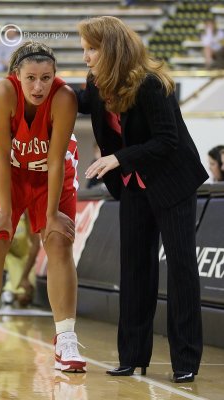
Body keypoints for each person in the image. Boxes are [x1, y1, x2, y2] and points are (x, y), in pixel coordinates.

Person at [76, 16, 208, 383]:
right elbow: (75, 100)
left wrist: (118, 158)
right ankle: (132, 356)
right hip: (133, 186)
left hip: (171, 183)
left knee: (181, 270)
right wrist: (38, 84)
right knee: (134, 270)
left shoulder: (152, 85)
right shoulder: (97, 84)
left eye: (91, 49)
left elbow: (168, 141)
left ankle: (185, 361)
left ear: (112, 49)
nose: (85, 57)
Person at [0, 40, 86, 373]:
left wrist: (50, 216)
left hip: (51, 173)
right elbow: (1, 158)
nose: (38, 85)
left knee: (59, 242)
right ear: (17, 75)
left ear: (55, 77)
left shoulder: (65, 98)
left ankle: (66, 339)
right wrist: (4, 210)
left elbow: (57, 160)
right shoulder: (3, 93)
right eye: (31, 77)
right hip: (10, 170)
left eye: (46, 78)